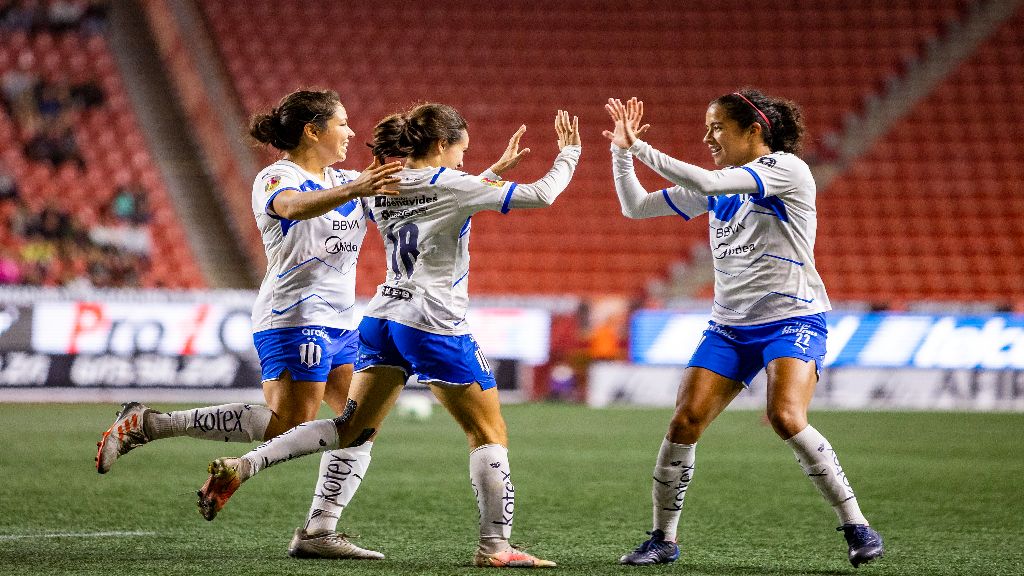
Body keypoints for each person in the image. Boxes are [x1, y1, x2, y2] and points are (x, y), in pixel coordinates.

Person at [195, 103, 582, 568]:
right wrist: (570, 154)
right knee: (488, 432)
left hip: (382, 320)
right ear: (442, 145)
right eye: (463, 149)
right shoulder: (451, 184)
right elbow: (541, 194)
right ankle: (495, 547)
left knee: (352, 429)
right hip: (435, 322)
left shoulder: (383, 185)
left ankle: (248, 466)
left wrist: (490, 172)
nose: (464, 158)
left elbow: (440, 197)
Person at [94, 89, 404, 559]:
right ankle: (147, 424)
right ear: (312, 130)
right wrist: (357, 188)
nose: (351, 132)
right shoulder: (277, 177)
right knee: (290, 427)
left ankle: (320, 530)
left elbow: (393, 197)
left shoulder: (344, 178)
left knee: (359, 423)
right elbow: (295, 208)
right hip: (294, 318)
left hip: (342, 322)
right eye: (342, 124)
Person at [603, 93, 884, 568]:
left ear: (753, 131)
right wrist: (620, 153)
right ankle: (663, 540)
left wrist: (643, 149)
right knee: (683, 422)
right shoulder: (720, 187)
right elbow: (635, 207)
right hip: (730, 326)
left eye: (716, 127)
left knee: (786, 416)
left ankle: (858, 525)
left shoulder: (787, 169)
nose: (707, 136)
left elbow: (708, 179)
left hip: (792, 318)